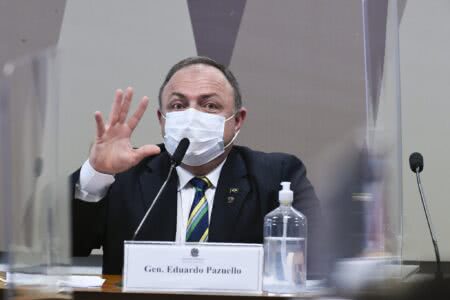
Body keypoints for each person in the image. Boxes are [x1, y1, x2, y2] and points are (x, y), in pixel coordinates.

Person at [71, 56, 321, 275]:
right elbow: (67, 244)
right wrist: (97, 173)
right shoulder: (124, 174)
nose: (192, 116)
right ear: (162, 119)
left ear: (238, 120)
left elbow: (315, 262)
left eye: (210, 105)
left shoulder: (278, 176)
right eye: (178, 106)